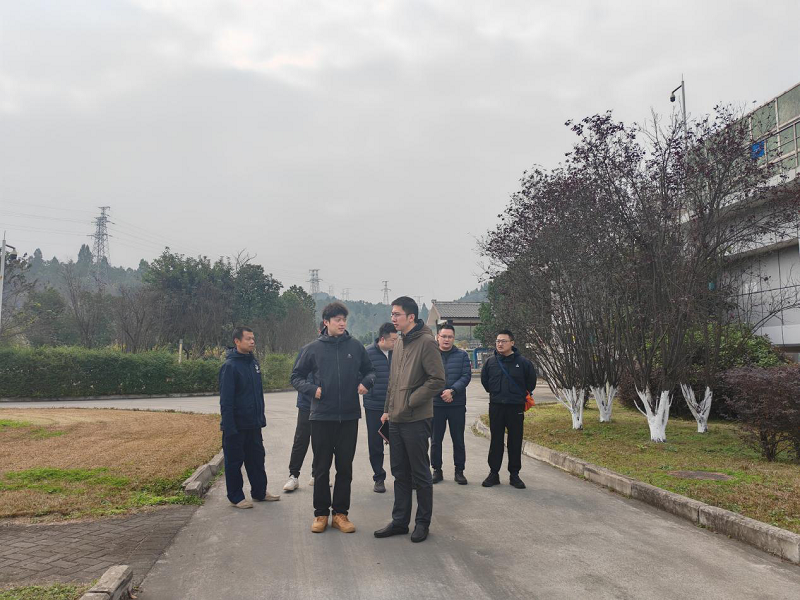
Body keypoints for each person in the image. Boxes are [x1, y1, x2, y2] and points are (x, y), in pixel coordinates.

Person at [290, 302, 376, 534]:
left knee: (344, 468)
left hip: (349, 416)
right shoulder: (313, 349)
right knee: (321, 468)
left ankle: (340, 514)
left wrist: (366, 383)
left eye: (344, 319)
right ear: (326, 322)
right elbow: (296, 376)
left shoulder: (355, 347)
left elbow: (370, 371)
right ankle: (320, 514)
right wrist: (312, 389)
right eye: (337, 319)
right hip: (321, 417)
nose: (342, 323)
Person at [374, 297, 445, 543]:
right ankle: (400, 521)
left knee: (420, 474)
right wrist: (388, 409)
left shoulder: (426, 342)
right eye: (392, 314)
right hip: (396, 419)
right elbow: (392, 382)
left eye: (397, 314)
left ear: (411, 317)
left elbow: (437, 380)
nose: (392, 318)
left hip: (416, 419)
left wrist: (411, 400)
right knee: (400, 473)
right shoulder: (400, 342)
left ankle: (422, 523)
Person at [219, 327, 280, 508]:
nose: (252, 341)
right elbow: (226, 401)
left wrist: (260, 418)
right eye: (248, 338)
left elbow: (257, 394)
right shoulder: (230, 366)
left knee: (256, 460)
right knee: (234, 462)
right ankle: (236, 497)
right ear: (237, 341)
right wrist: (229, 426)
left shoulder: (253, 363)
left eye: (253, 338)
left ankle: (260, 492)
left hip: (253, 424)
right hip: (236, 425)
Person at [480, 329, 537, 489]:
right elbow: (485, 382)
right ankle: (493, 473)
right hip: (496, 406)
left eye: (503, 341)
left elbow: (530, 383)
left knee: (515, 441)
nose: (500, 344)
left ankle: (514, 474)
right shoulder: (490, 362)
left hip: (515, 407)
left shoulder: (523, 363)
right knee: (496, 441)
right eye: (498, 341)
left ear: (512, 343)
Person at [282, 322, 324, 493]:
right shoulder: (308, 350)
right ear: (320, 330)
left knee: (321, 441)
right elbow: (296, 377)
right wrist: (312, 390)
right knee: (301, 439)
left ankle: (317, 474)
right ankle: (293, 475)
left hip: (325, 406)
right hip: (307, 403)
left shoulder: (334, 352)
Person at [430, 322, 472, 485]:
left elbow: (466, 376)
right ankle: (437, 470)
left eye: (450, 337)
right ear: (437, 337)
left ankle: (459, 471)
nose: (447, 339)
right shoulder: (430, 355)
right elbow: (427, 377)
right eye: (444, 336)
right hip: (436, 404)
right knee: (435, 440)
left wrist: (452, 391)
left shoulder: (462, 355)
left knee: (458, 439)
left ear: (454, 338)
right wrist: (442, 392)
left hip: (457, 404)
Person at [363, 322, 398, 493]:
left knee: (398, 442)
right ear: (382, 339)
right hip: (374, 405)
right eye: (393, 340)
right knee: (375, 443)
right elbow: (360, 376)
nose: (395, 343)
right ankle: (379, 477)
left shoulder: (397, 352)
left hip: (395, 405)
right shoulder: (367, 353)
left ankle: (402, 477)